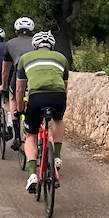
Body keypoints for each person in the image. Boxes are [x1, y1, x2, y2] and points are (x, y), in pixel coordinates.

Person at [15, 31, 69, 194]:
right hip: (58, 96)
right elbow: (65, 87)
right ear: (52, 46)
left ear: (34, 46)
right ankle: (57, 156)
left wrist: (19, 109)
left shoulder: (25, 58)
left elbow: (20, 89)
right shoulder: (61, 58)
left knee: (31, 134)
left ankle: (32, 174)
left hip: (36, 97)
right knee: (58, 120)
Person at [2, 17, 36, 149]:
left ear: (16, 30)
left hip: (19, 71)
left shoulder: (9, 44)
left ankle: (16, 136)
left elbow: (5, 70)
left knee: (13, 98)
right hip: (35, 71)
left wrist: (4, 85)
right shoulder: (36, 41)